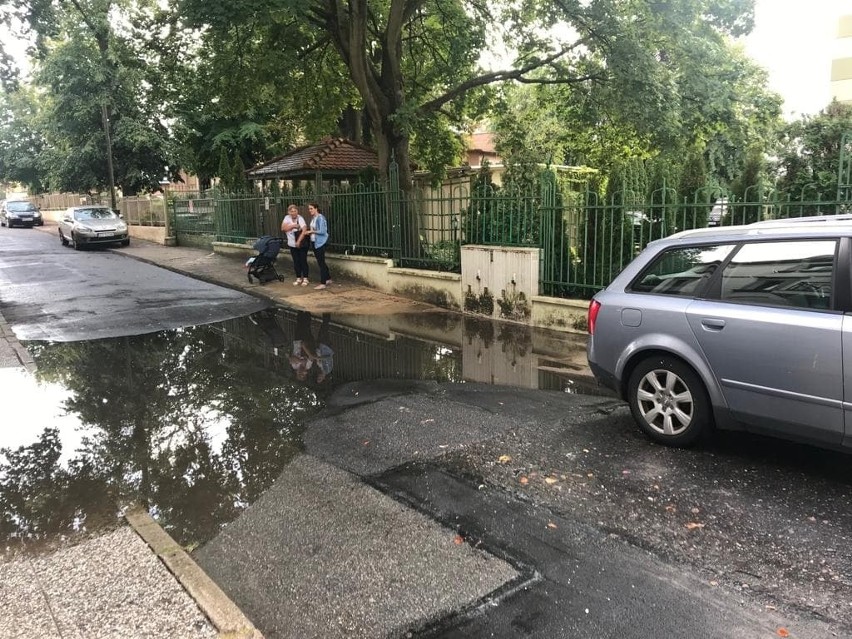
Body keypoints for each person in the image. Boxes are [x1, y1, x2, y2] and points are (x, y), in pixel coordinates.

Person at [304, 201, 331, 290]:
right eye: (309, 209)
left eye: (311, 208)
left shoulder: (320, 218)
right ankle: (328, 278)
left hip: (320, 242)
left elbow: (323, 231)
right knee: (321, 261)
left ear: (316, 208)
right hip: (315, 242)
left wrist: (311, 231)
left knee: (321, 263)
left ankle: (323, 283)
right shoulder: (314, 218)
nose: (310, 210)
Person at [281, 204, 310, 286]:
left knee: (303, 260)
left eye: (295, 211)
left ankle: (305, 278)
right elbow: (283, 228)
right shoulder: (287, 218)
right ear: (289, 212)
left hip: (301, 244)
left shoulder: (300, 218)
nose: (293, 213)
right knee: (296, 261)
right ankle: (298, 277)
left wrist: (298, 241)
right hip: (291, 244)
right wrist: (293, 225)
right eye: (292, 211)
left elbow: (304, 230)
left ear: (297, 211)